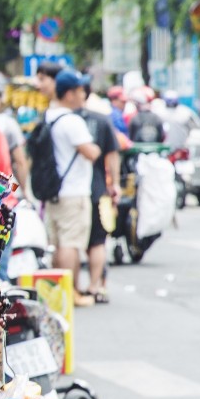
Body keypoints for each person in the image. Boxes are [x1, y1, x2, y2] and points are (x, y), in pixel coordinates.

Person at [41, 69, 101, 295]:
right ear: (68, 94)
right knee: (70, 244)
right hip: (73, 192)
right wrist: (96, 147)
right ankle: (69, 292)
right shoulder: (72, 120)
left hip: (54, 191)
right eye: (79, 90)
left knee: (59, 243)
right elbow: (90, 152)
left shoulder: (50, 116)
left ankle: (61, 291)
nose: (83, 94)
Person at [81, 91, 123, 304]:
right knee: (97, 242)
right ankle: (95, 286)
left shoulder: (59, 118)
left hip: (68, 193)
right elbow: (113, 154)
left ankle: (69, 289)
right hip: (97, 189)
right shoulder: (101, 120)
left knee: (68, 243)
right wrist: (114, 183)